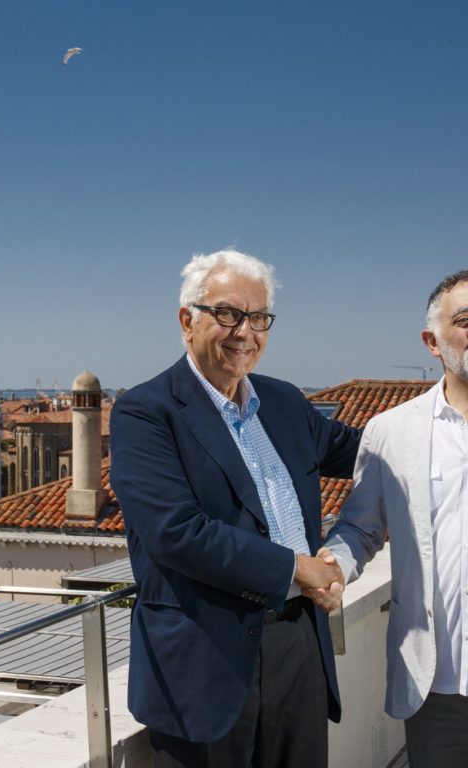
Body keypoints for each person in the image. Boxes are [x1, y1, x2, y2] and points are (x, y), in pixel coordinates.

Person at [110, 249, 361, 768]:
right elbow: (176, 531)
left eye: (259, 317)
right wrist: (297, 568)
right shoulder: (145, 412)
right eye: (227, 313)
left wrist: (451, 401)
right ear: (187, 321)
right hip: (203, 666)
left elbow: (371, 452)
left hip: (298, 643)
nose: (245, 332)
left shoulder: (285, 402)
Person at [323, 269, 468, 767]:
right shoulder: (390, 431)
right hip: (436, 688)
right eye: (465, 320)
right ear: (432, 341)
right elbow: (361, 526)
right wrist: (331, 568)